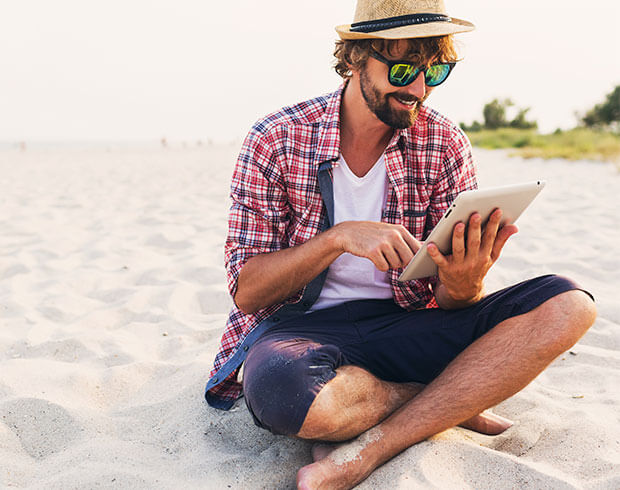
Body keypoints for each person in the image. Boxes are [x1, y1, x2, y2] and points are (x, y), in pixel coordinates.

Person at [205, 0, 597, 488]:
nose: (418, 89)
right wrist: (338, 240)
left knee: (569, 305)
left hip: (406, 324)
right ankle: (441, 399)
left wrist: (465, 282)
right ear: (354, 59)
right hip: (300, 331)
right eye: (403, 68)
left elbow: (455, 302)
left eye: (436, 71)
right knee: (283, 393)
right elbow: (247, 291)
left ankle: (371, 448)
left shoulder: (443, 142)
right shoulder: (278, 138)